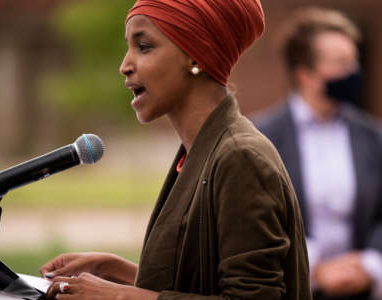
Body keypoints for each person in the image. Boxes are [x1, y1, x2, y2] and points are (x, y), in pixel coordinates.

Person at [41, 1, 312, 299]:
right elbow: (201, 280)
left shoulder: (240, 157)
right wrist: (112, 269)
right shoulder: (199, 150)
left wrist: (117, 296)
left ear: (196, 55)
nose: (125, 65)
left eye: (143, 46)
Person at [255, 7, 382, 300]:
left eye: (355, 62)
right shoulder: (261, 138)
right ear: (305, 75)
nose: (354, 73)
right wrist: (314, 267)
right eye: (341, 63)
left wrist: (368, 265)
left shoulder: (373, 137)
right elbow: (259, 218)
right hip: (293, 288)